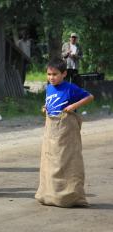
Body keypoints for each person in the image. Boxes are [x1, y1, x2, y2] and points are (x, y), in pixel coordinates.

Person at [35, 58, 94, 207]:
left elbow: (89, 97)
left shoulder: (70, 88)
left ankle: (69, 196)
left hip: (65, 132)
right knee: (50, 161)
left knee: (65, 161)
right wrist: (44, 107)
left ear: (64, 74)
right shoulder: (49, 88)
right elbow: (50, 102)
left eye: (55, 74)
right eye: (49, 74)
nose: (51, 77)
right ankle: (50, 194)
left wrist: (73, 105)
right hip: (51, 130)